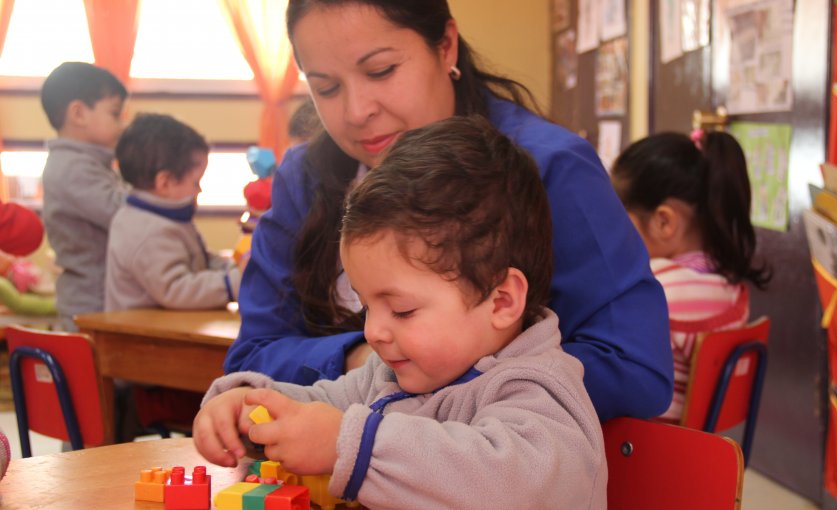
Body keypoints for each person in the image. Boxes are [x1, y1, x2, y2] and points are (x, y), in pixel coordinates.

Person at [226, 0, 672, 421]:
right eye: (325, 88)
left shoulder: (548, 167)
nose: (357, 111)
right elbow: (249, 360)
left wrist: (439, 383)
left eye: (381, 71)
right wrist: (374, 358)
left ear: (446, 46)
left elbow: (635, 370)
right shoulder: (305, 177)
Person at [194, 116, 607, 509]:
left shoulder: (541, 391)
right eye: (367, 306)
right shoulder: (392, 376)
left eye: (403, 310)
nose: (373, 332)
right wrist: (251, 408)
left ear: (501, 301)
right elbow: (322, 406)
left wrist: (348, 444)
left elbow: (514, 486)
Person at [610, 130, 771, 423]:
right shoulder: (730, 287)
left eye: (622, 223)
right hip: (701, 448)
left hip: (651, 449)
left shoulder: (655, 289)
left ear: (663, 221)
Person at [105, 113, 240, 311]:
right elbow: (175, 289)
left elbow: (198, 260)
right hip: (140, 337)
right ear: (165, 183)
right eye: (196, 182)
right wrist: (232, 284)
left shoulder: (166, 216)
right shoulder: (145, 231)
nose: (199, 190)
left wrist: (230, 267)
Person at [40, 61, 128, 331]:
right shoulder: (72, 168)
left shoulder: (87, 163)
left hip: (99, 303)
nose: (122, 124)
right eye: (115, 114)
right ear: (78, 113)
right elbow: (122, 214)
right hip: (91, 308)